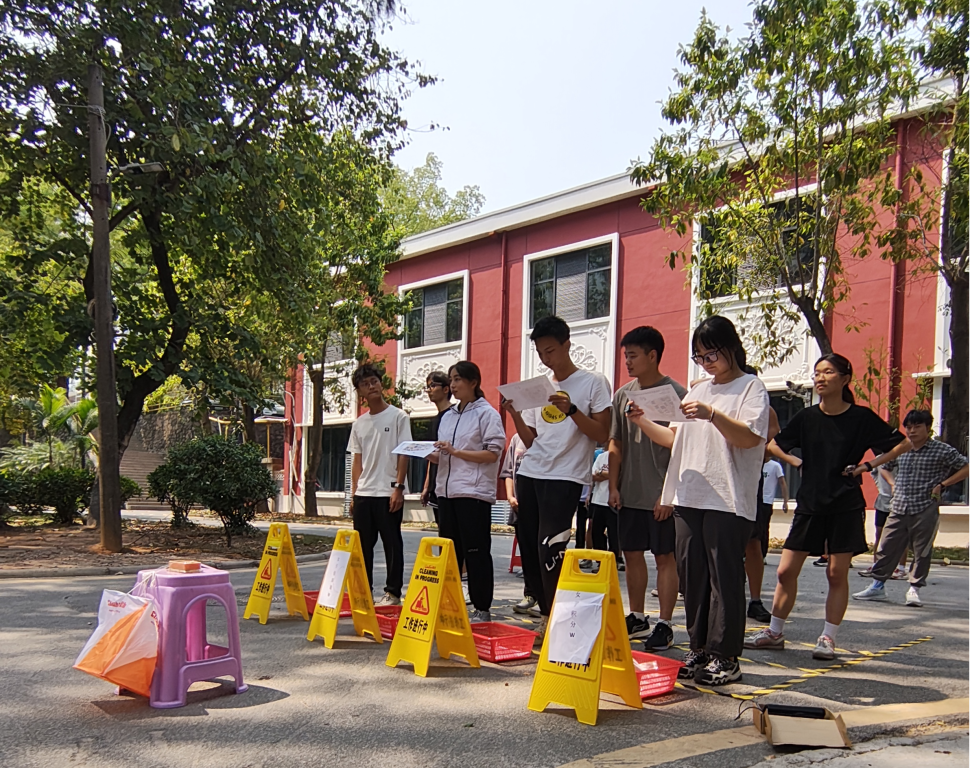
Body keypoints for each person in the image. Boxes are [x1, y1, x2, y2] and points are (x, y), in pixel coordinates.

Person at [627, 316, 769, 685]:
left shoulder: (750, 388)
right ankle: (699, 648)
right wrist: (642, 421)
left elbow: (750, 438)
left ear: (731, 348)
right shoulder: (696, 391)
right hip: (689, 495)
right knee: (693, 578)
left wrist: (713, 415)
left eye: (712, 355)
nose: (706, 363)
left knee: (724, 579)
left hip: (728, 498)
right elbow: (674, 439)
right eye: (700, 357)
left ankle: (726, 656)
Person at [745, 353, 910, 660]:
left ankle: (827, 638)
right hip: (810, 503)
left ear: (845, 379)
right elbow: (773, 445)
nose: (820, 378)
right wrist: (796, 462)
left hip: (845, 503)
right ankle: (774, 632)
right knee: (785, 571)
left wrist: (868, 466)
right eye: (817, 372)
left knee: (836, 573)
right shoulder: (807, 417)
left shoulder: (861, 418)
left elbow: (903, 443)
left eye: (828, 372)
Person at [502, 315, 612, 642]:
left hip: (565, 476)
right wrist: (515, 414)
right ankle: (546, 615)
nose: (545, 358)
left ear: (567, 345)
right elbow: (531, 440)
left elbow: (602, 433)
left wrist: (572, 410)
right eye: (540, 353)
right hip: (530, 472)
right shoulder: (540, 387)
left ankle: (560, 618)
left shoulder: (593, 382)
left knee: (551, 547)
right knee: (531, 548)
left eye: (550, 351)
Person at [608, 325, 687, 650]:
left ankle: (665, 623)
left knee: (665, 557)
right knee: (632, 554)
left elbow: (682, 449)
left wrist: (668, 494)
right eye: (625, 356)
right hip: (630, 492)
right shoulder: (622, 395)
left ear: (653, 355)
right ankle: (638, 616)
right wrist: (613, 486)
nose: (627, 362)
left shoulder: (677, 394)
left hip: (662, 495)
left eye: (633, 355)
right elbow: (615, 442)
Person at [854, 409, 970, 607]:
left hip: (925, 506)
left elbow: (966, 467)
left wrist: (943, 484)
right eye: (908, 427)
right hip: (898, 506)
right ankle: (877, 586)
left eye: (917, 426)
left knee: (921, 550)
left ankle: (914, 589)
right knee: (886, 547)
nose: (912, 431)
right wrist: (892, 484)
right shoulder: (901, 448)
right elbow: (884, 466)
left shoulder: (942, 450)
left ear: (928, 428)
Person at [433, 361, 506, 622]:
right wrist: (428, 454)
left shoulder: (487, 414)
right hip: (446, 492)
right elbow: (445, 455)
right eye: (451, 379)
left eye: (457, 379)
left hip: (473, 493)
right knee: (449, 553)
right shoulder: (449, 416)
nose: (452, 385)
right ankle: (450, 603)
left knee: (476, 553)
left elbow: (492, 453)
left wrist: (455, 452)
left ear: (473, 382)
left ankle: (482, 607)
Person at [348, 363, 412, 606]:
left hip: (388, 491)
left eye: (374, 381)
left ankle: (392, 593)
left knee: (392, 543)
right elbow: (357, 460)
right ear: (360, 392)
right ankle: (364, 592)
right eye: (365, 384)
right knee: (362, 546)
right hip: (364, 493)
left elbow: (404, 453)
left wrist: (399, 487)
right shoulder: (358, 424)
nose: (371, 386)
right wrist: (354, 494)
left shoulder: (398, 417)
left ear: (381, 383)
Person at [746, 453, 788, 623]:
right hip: (720, 487)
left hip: (752, 489)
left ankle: (755, 601)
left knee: (754, 543)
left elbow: (769, 447)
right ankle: (719, 597)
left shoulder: (774, 465)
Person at [501, 433, 539, 614]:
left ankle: (546, 598)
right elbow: (508, 471)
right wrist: (510, 496)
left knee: (544, 551)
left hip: (543, 503)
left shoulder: (547, 433)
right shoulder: (517, 439)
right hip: (520, 505)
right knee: (527, 550)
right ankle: (530, 594)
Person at [858, 463, 908, 580]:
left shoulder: (903, 458)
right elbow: (874, 473)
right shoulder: (880, 460)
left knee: (901, 535)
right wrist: (881, 488)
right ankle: (876, 565)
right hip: (883, 499)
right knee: (879, 534)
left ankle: (901, 568)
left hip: (900, 499)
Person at [420, 371, 452, 525]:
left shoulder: (454, 415)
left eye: (433, 385)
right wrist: (427, 486)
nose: (429, 390)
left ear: (446, 389)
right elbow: (433, 455)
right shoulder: (435, 420)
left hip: (451, 485)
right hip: (435, 485)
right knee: (442, 530)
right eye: (427, 387)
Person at [588, 447, 624, 573]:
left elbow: (622, 476)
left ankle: (614, 561)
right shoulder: (601, 456)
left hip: (615, 501)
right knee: (596, 532)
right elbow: (593, 476)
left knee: (614, 534)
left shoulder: (624, 456)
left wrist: (603, 474)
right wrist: (609, 475)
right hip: (598, 500)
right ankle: (600, 562)